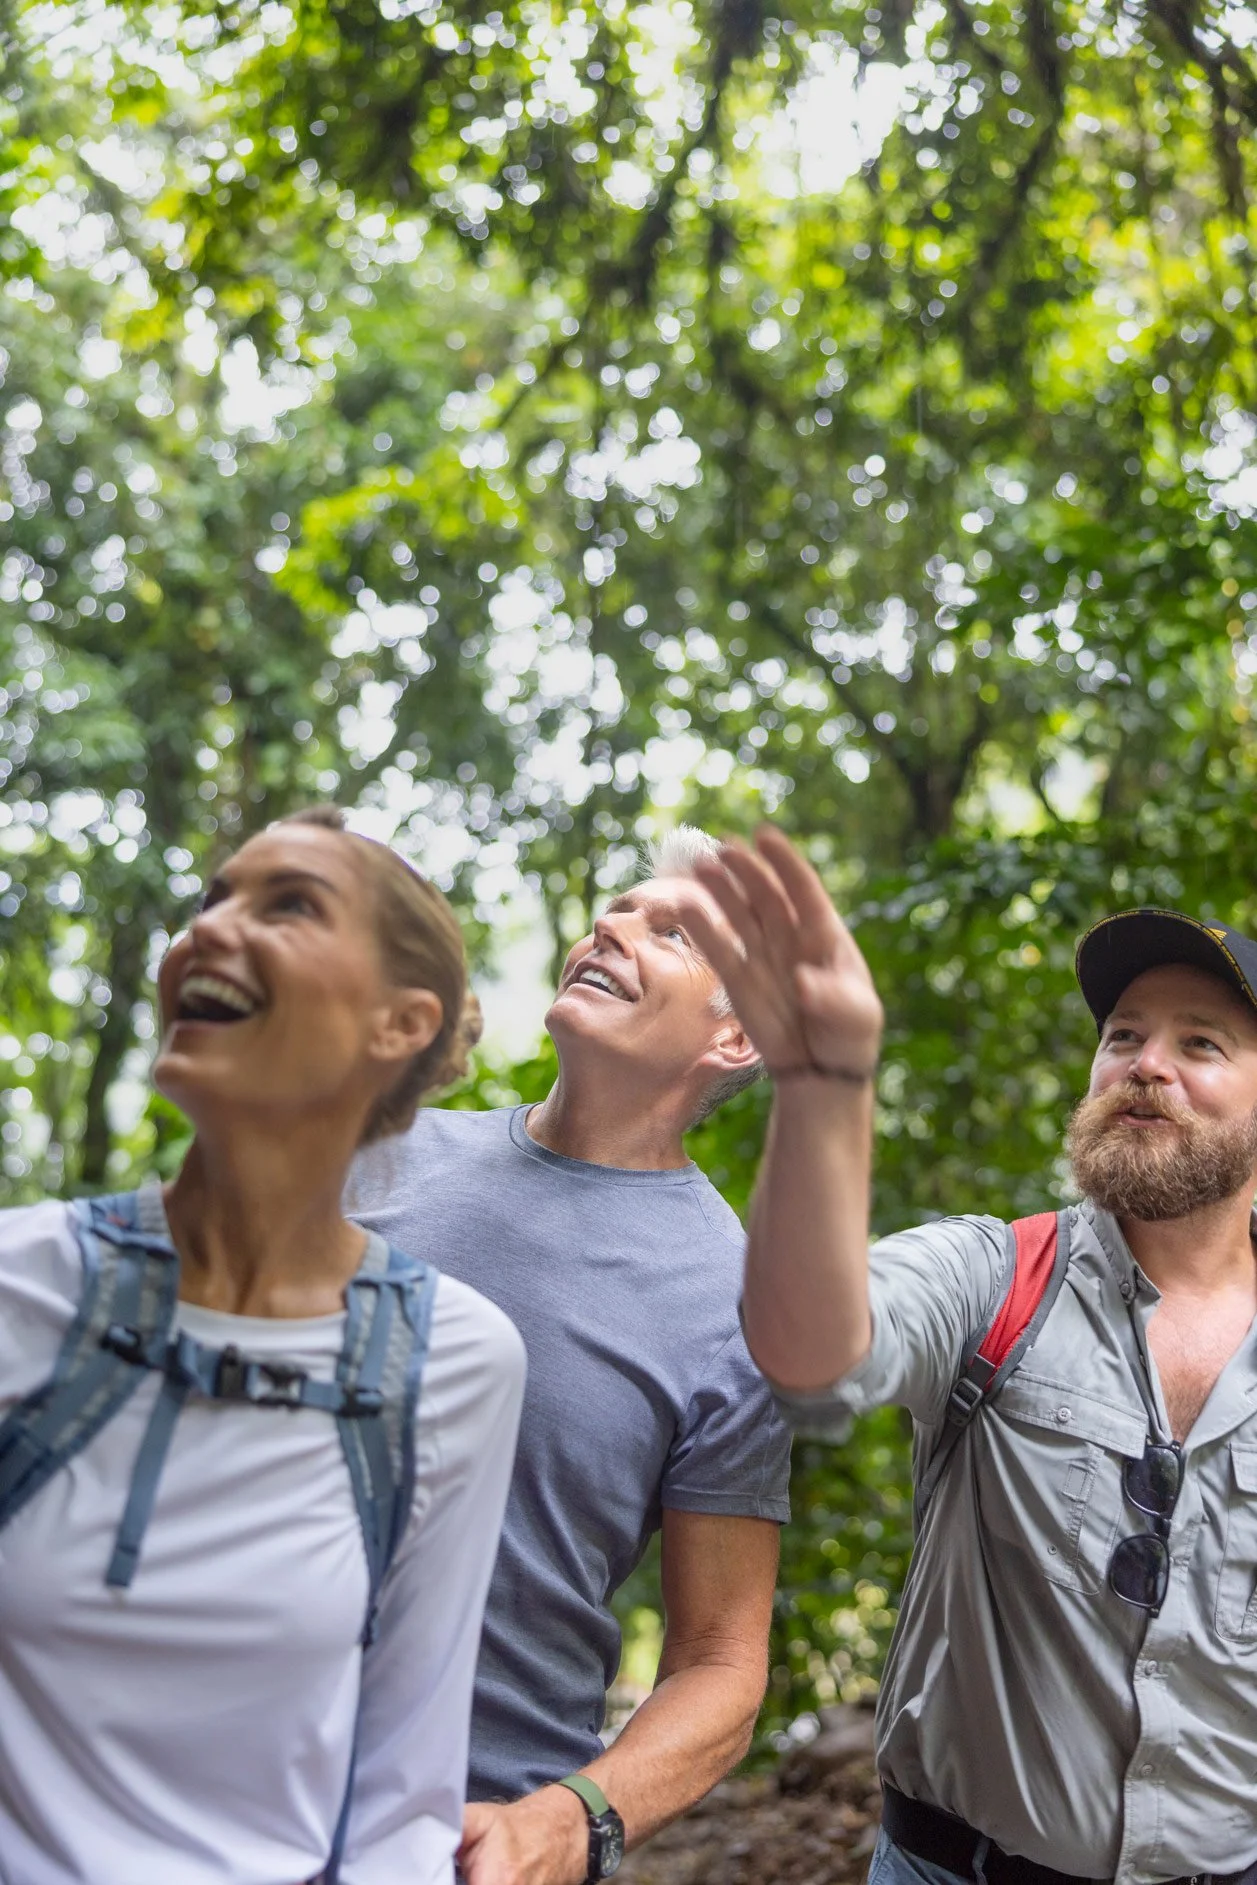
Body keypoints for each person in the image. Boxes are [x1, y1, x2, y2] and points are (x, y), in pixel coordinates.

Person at [688, 828, 1257, 1885]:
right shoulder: (999, 1277)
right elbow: (813, 1353)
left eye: (1202, 1045)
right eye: (1123, 1034)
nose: (1145, 1063)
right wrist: (827, 1079)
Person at [0, 807, 525, 1885]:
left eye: (288, 905)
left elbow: (403, 1794)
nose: (208, 931)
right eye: (212, 899)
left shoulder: (454, 1359)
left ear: (400, 1023)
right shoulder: (21, 1281)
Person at [348, 828, 793, 1885]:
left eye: (671, 931)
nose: (615, 926)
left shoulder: (737, 1303)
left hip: (468, 1834)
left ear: (734, 1040)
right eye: (619, 908)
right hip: (209, 1784)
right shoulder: (372, 1163)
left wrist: (573, 1817)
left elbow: (720, 1662)